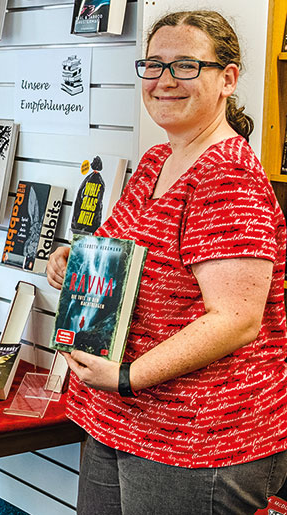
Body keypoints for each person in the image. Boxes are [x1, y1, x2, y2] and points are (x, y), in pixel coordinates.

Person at [46, 10, 287, 514]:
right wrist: (75, 260)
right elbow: (121, 253)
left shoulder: (228, 179)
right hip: (119, 415)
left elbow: (236, 320)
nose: (164, 81)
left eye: (185, 66)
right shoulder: (158, 158)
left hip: (198, 433)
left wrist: (128, 375)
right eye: (154, 65)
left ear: (227, 79)